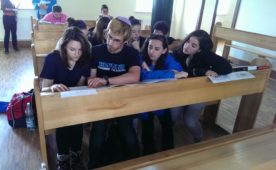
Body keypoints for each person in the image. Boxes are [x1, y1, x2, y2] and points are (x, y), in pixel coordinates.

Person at [88, 16, 140, 169]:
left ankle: (135, 164)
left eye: (117, 40)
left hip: (123, 101)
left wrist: (106, 81)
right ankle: (94, 164)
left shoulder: (131, 53)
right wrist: (96, 82)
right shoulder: (96, 51)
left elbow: (135, 76)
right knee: (97, 133)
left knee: (128, 134)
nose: (111, 43)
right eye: (109, 37)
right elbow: (91, 78)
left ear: (125, 41)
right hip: (100, 101)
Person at [40, 27, 91, 170]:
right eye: (72, 49)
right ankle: (62, 157)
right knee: (63, 123)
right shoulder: (53, 59)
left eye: (80, 50)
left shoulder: (84, 59)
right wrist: (53, 87)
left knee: (76, 121)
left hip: (74, 100)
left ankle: (76, 154)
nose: (77, 54)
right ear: (64, 47)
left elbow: (80, 85)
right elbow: (44, 89)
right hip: (55, 101)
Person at [172, 30, 232, 143]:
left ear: (200, 49)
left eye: (193, 45)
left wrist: (207, 57)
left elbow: (227, 68)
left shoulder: (204, 56)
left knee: (190, 121)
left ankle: (198, 138)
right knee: (172, 117)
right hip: (178, 92)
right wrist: (199, 71)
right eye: (188, 41)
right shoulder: (177, 53)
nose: (187, 46)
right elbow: (182, 73)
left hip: (197, 93)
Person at [139, 34, 188, 155]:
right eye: (150, 47)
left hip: (162, 99)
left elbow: (180, 72)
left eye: (157, 49)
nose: (151, 51)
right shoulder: (140, 58)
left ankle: (168, 153)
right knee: (147, 127)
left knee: (167, 125)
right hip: (143, 99)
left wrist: (152, 73)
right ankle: (148, 152)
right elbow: (144, 77)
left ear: (164, 50)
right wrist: (170, 74)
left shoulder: (168, 58)